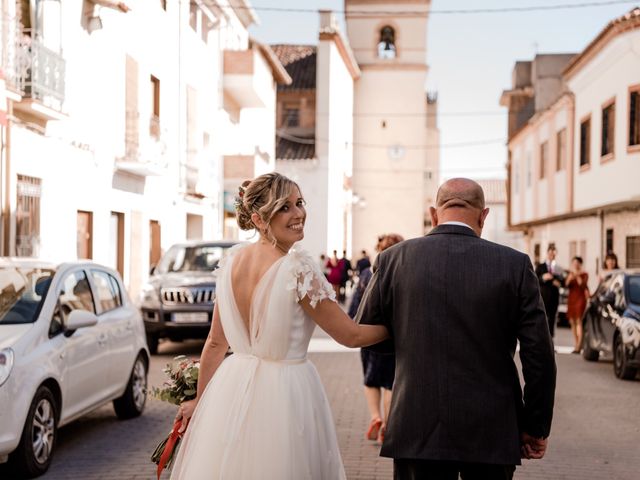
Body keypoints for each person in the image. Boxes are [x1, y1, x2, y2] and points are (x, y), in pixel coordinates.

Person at [169, 173, 388, 479]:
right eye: (284, 207)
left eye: (299, 203)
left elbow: (216, 344)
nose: (299, 213)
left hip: (230, 389)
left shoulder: (231, 261)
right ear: (259, 219)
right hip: (285, 391)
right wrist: (399, 327)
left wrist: (200, 402)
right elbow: (350, 335)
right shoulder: (298, 268)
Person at [355, 178, 556, 479]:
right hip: (491, 426)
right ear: (483, 216)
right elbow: (538, 354)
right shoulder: (514, 265)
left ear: (434, 214)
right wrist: (535, 425)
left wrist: (412, 334)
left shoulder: (394, 259)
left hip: (416, 422)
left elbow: (367, 333)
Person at [348, 233, 404, 444]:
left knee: (371, 380)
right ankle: (388, 427)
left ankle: (375, 417)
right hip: (394, 341)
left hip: (367, 338)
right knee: (391, 384)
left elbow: (354, 309)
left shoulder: (366, 275)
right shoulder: (402, 275)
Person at [535, 245, 564, 337]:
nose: (552, 255)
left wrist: (558, 283)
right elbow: (534, 280)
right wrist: (543, 278)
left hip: (554, 297)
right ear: (547, 253)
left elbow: (563, 282)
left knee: (552, 320)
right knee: (542, 318)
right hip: (543, 297)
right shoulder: (540, 266)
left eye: (554, 254)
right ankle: (541, 339)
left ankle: (551, 341)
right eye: (550, 253)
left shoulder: (558, 268)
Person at [565, 256, 590, 354]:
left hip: (580, 298)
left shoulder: (585, 274)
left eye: (577, 263)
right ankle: (577, 343)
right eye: (574, 263)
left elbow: (583, 285)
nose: (575, 265)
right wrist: (570, 277)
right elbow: (566, 284)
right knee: (572, 321)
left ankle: (579, 345)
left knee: (579, 320)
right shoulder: (570, 274)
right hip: (571, 299)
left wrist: (577, 275)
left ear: (580, 264)